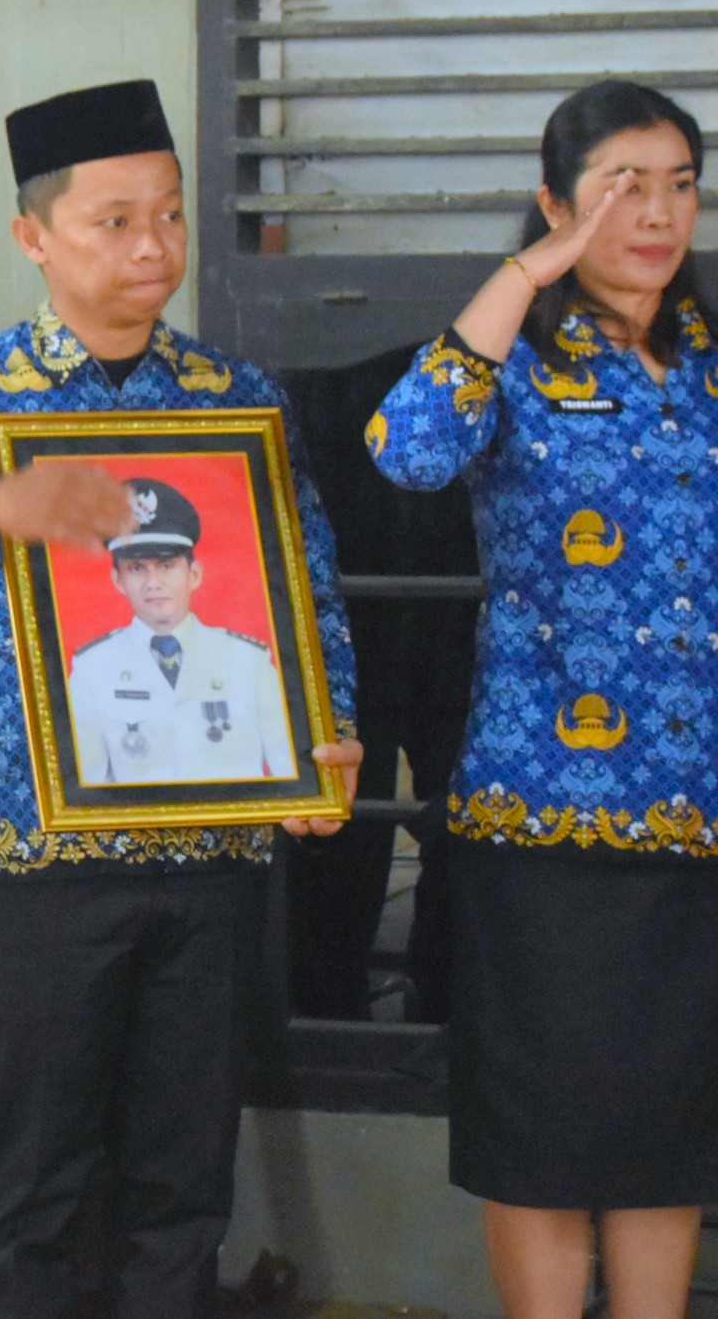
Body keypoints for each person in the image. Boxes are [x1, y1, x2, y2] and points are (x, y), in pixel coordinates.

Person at [0, 78, 361, 1318]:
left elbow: (303, 585)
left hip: (208, 855)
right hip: (38, 866)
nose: (152, 245)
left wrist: (328, 738)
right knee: (32, 1188)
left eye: (168, 214)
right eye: (113, 220)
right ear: (32, 236)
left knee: (182, 1192)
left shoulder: (234, 397)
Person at [370, 78, 718, 1319]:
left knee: (666, 1129)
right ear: (555, 203)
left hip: (696, 809)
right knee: (541, 1129)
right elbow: (406, 448)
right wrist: (523, 277)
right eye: (623, 186)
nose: (657, 213)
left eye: (680, 184)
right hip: (542, 811)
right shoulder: (511, 351)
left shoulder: (707, 359)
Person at [65, 478, 297, 786]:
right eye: (137, 568)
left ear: (194, 574)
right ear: (118, 580)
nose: (153, 583)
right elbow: (87, 788)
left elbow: (292, 773)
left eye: (167, 565)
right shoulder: (92, 668)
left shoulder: (248, 660)